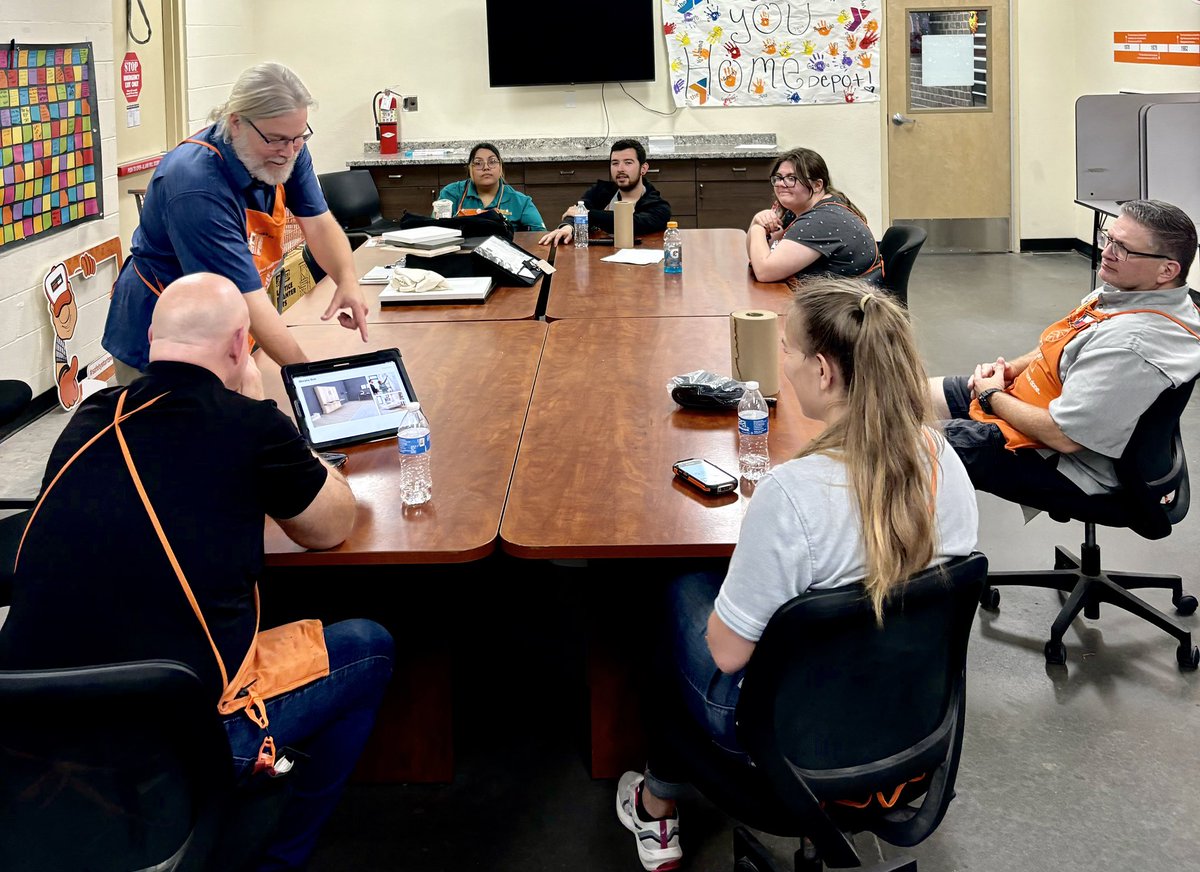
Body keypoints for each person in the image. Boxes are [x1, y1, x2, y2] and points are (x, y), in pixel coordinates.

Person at [1, 273, 394, 871]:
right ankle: (277, 858)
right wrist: (265, 408)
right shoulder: (251, 424)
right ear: (242, 345)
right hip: (171, 749)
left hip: (27, 733)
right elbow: (332, 525)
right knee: (369, 646)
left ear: (152, 339)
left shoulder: (87, 419)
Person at [616, 277, 978, 872]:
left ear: (823, 371)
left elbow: (729, 656)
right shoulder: (944, 460)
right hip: (911, 715)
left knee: (671, 601)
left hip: (789, 742)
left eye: (787, 350)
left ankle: (654, 804)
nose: (781, 363)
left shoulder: (791, 495)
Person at [103, 63, 369, 384]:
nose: (288, 152)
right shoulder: (196, 183)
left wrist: (347, 279)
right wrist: (312, 378)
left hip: (225, 319)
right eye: (276, 140)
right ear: (236, 122)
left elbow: (319, 224)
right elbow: (248, 300)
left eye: (298, 138)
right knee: (178, 427)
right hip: (164, 339)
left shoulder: (287, 146)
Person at [931, 199, 1200, 506]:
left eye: (1123, 249)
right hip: (1033, 400)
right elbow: (1062, 341)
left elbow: (1063, 436)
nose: (1106, 252)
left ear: (1167, 270)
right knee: (907, 396)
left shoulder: (1133, 345)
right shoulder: (1126, 292)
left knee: (902, 450)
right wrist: (1012, 371)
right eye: (1109, 239)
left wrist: (991, 397)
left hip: (1063, 460)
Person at [746, 147, 881, 285]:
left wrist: (758, 228)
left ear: (817, 185)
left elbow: (764, 272)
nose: (781, 184)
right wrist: (759, 220)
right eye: (778, 178)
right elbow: (756, 255)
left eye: (791, 178)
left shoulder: (821, 221)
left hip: (842, 304)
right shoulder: (803, 208)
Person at [537, 139, 672, 245]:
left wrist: (587, 214)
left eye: (628, 163)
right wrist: (568, 228)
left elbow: (632, 224)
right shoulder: (600, 191)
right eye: (615, 163)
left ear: (643, 168)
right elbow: (576, 211)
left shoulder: (658, 207)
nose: (620, 169)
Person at [435, 142, 546, 231]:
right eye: (478, 163)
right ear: (470, 169)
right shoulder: (451, 194)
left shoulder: (521, 202)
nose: (486, 167)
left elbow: (539, 237)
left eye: (492, 162)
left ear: (500, 167)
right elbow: (435, 231)